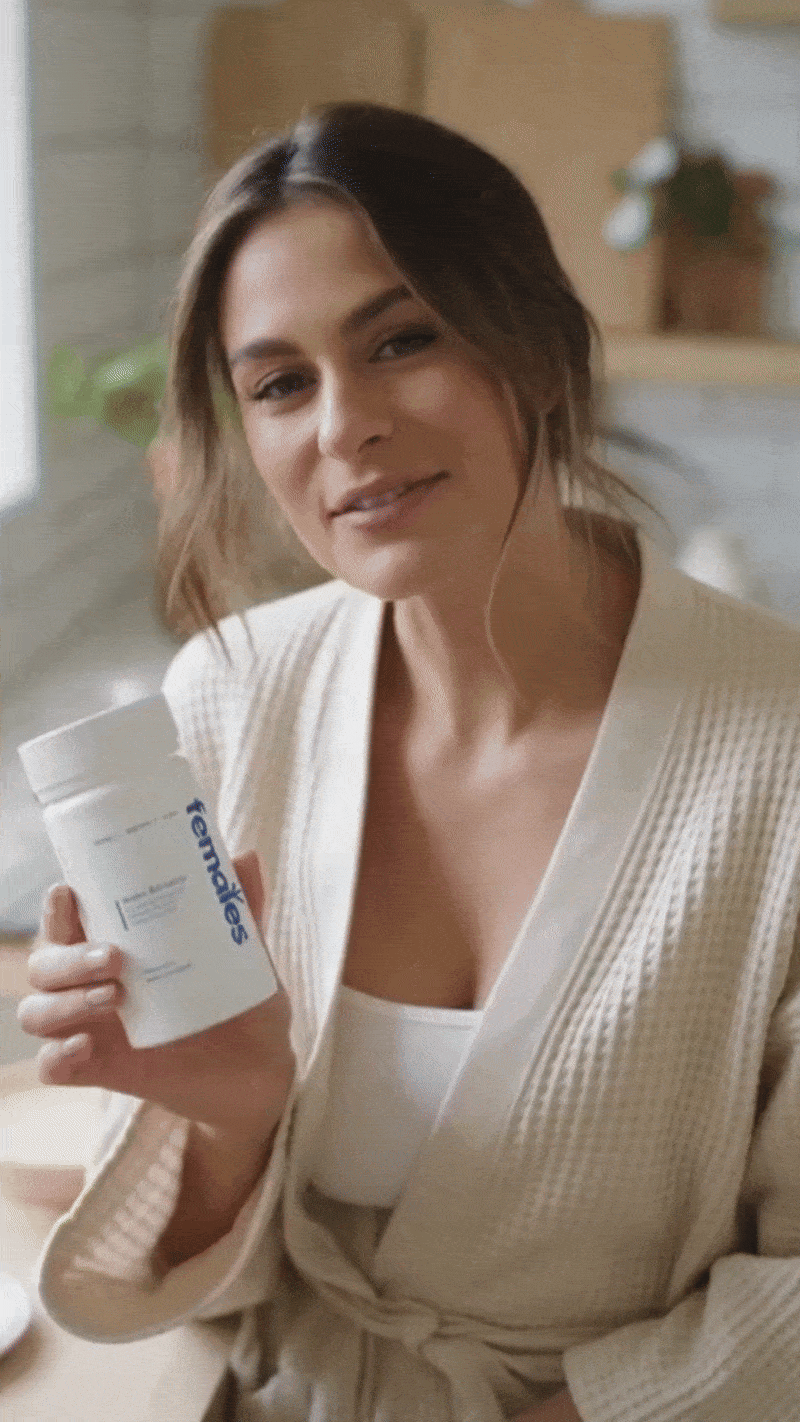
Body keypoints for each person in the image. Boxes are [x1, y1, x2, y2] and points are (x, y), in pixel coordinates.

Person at [18, 103, 800, 1422]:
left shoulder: (779, 750)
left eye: (402, 340)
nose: (346, 427)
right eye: (281, 384)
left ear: (534, 346)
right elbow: (207, 1282)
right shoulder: (229, 700)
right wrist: (226, 1114)